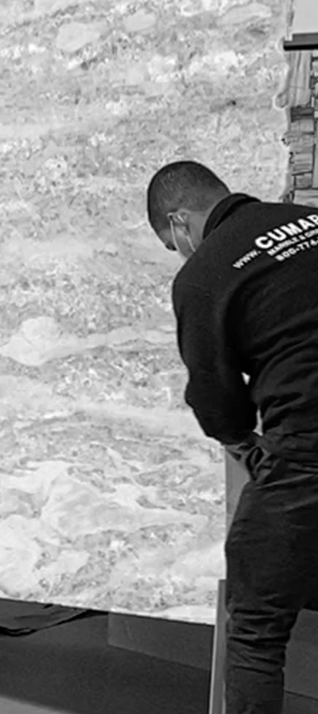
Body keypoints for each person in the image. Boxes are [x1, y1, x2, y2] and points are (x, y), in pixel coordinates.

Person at [147, 160, 318, 714]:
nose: (181, 253)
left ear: (180, 223)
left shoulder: (203, 275)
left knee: (255, 632)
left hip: (308, 452)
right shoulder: (309, 220)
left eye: (175, 243)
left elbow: (214, 396)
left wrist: (245, 443)